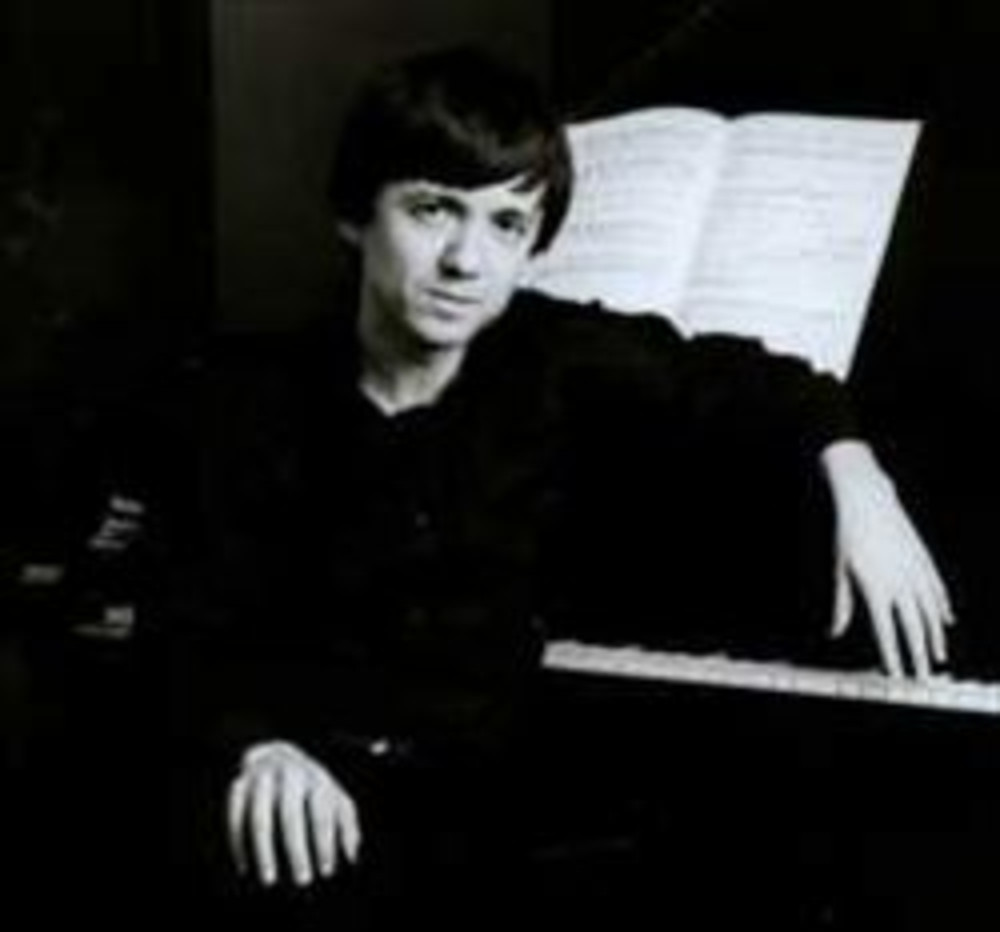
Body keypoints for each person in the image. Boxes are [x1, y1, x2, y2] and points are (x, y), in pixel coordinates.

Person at [163, 45, 953, 930]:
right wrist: (258, 744)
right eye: (432, 209)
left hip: (482, 824)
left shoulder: (553, 355)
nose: (467, 260)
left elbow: (766, 383)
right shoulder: (247, 400)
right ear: (354, 216)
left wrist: (861, 483)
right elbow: (185, 631)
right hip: (305, 813)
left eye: (507, 224)